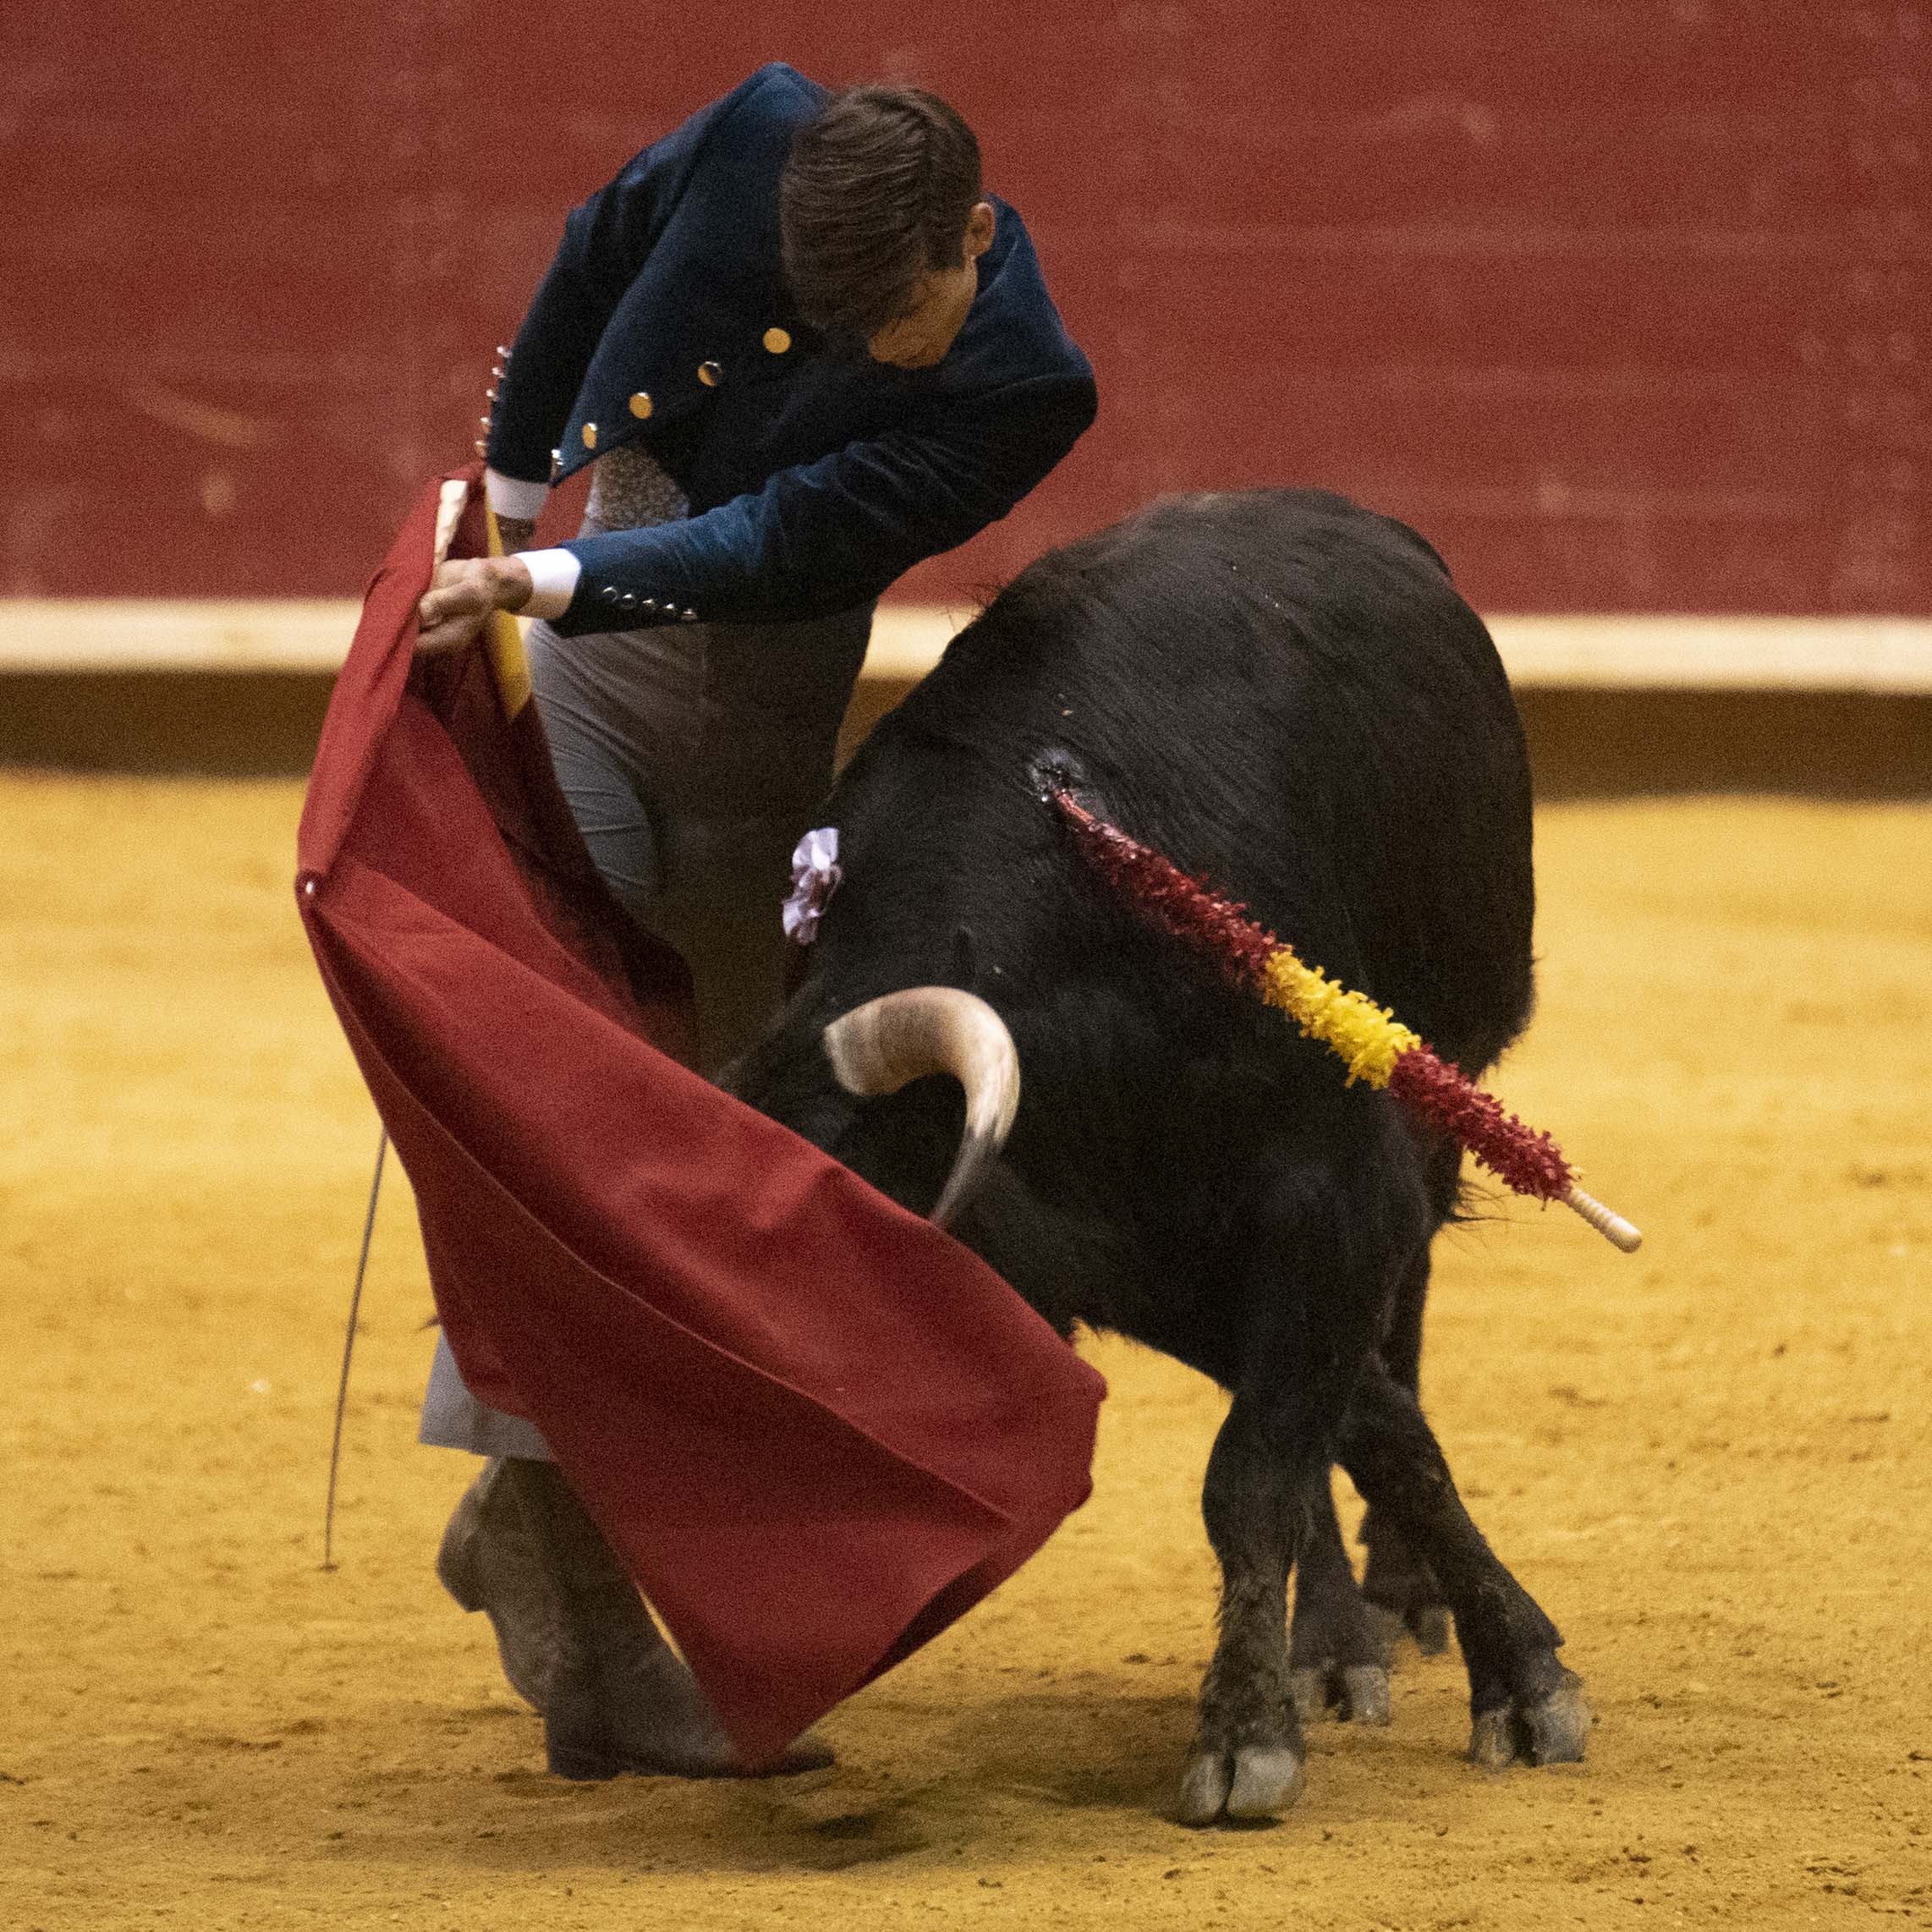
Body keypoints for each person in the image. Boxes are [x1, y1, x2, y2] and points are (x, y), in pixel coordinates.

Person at [409, 63, 1097, 1781]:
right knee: (582, 1102)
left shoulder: (1025, 384)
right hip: (582, 679)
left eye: (899, 311)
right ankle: (578, 1606)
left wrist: (543, 572)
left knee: (691, 1137)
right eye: (831, 307)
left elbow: (788, 532)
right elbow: (590, 258)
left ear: (978, 238)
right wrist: (501, 510)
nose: (870, 340)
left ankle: (534, 1531)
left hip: (746, 714)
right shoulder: (752, 135)